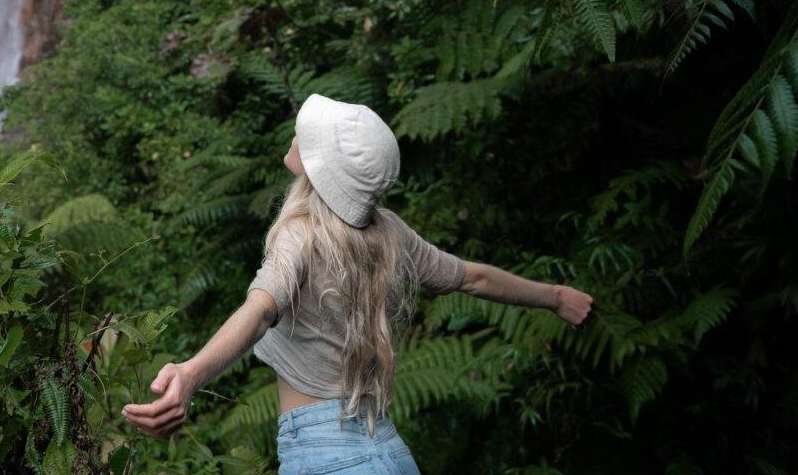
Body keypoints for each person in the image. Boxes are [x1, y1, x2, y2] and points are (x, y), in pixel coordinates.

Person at [121, 93, 594, 472]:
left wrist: (191, 372)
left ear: (320, 169)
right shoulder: (390, 234)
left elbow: (262, 308)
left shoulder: (298, 235)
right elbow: (472, 278)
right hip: (386, 449)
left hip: (326, 456)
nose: (297, 133)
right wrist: (554, 297)